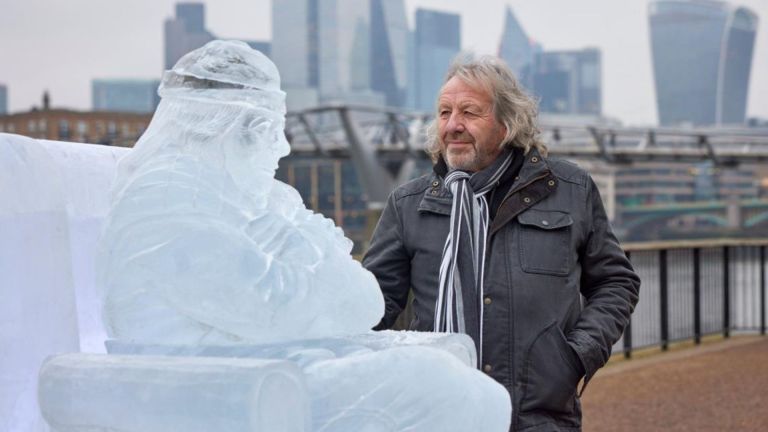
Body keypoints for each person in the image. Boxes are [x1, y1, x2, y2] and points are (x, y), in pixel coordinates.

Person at [362, 53, 640, 431]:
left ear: (507, 124)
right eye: (444, 113)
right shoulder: (409, 204)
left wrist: (574, 356)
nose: (453, 125)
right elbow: (370, 309)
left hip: (537, 416)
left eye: (469, 113)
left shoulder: (569, 190)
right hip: (438, 414)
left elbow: (616, 282)